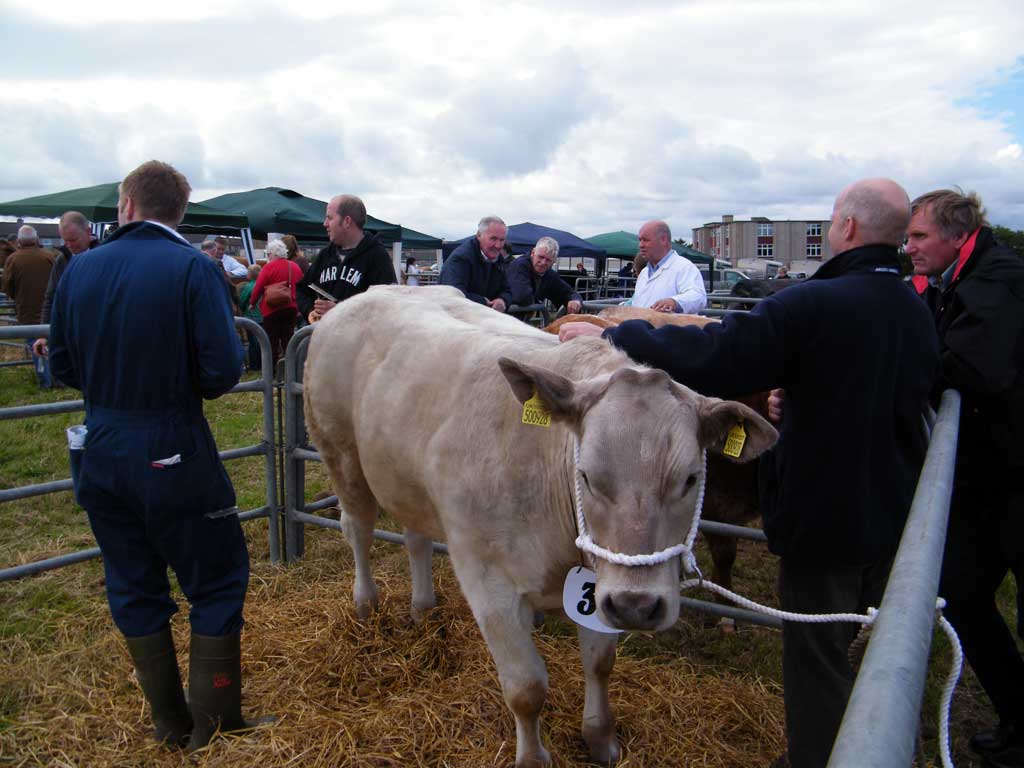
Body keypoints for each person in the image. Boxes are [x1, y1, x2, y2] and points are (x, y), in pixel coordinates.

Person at [560, 178, 939, 768]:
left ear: (848, 229)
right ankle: (891, 732)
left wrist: (614, 334)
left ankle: (822, 756)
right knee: (883, 642)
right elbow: (888, 389)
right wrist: (801, 395)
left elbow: (720, 354)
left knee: (817, 654)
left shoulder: (813, 303)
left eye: (833, 219)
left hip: (824, 513)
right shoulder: (916, 309)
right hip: (897, 507)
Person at [47, 160, 265, 750]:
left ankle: (169, 723)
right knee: (216, 579)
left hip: (102, 442)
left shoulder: (80, 268)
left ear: (127, 206)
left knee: (132, 581)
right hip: (171, 442)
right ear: (179, 212)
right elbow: (221, 372)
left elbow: (61, 365)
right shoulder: (195, 268)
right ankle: (214, 727)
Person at [906, 189, 1024, 768]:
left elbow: (977, 366)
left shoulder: (996, 279)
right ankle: (1018, 715)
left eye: (919, 237)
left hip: (1016, 470)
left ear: (957, 234)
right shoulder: (958, 279)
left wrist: (908, 362)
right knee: (963, 592)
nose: (910, 248)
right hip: (990, 473)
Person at [296, 194, 397, 323]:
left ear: (347, 221)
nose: (325, 224)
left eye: (329, 218)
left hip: (359, 341)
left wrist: (340, 311)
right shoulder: (326, 255)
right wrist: (311, 312)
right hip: (325, 339)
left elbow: (387, 307)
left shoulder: (377, 255)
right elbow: (302, 290)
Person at [33, 211, 100, 362]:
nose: (69, 245)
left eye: (74, 239)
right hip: (71, 335)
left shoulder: (107, 258)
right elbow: (51, 297)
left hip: (99, 335)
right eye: (65, 241)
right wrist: (44, 333)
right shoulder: (62, 261)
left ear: (88, 232)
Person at [2, 225, 55, 387]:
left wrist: (17, 296)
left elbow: (7, 286)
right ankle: (58, 379)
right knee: (52, 343)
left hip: (27, 310)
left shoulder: (13, 259)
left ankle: (45, 382)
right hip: (51, 310)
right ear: (36, 239)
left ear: (19, 241)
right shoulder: (50, 256)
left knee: (35, 344)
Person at [440, 216, 513, 312]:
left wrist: (502, 300)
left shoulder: (498, 259)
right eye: (493, 239)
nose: (498, 245)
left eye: (502, 240)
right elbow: (453, 295)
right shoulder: (461, 258)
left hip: (479, 318)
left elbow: (507, 290)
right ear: (479, 235)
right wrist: (483, 301)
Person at [630, 220, 707, 313]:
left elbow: (698, 297)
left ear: (663, 240)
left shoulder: (684, 267)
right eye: (640, 240)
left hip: (673, 327)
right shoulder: (644, 273)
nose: (641, 245)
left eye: (646, 240)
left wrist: (674, 302)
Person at [250, 239, 303, 367]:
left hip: (271, 309)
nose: (268, 257)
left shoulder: (268, 267)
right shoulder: (294, 266)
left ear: (273, 254)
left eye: (268, 254)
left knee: (271, 342)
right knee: (289, 340)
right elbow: (302, 286)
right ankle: (291, 370)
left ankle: (272, 371)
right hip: (291, 308)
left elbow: (258, 287)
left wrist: (252, 303)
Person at [506, 236, 582, 314]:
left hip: (522, 320)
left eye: (548, 260)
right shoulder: (519, 266)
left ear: (554, 261)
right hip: (504, 318)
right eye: (541, 257)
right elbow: (521, 296)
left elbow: (568, 292)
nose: (543, 262)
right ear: (533, 253)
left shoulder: (549, 275)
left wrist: (574, 300)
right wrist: (539, 302)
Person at [237, 264, 264, 372]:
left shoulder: (249, 287)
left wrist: (243, 311)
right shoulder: (264, 285)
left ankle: (254, 366)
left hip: (252, 317)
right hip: (264, 316)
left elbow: (242, 301)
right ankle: (264, 364)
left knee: (253, 343)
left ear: (250, 274)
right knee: (263, 341)